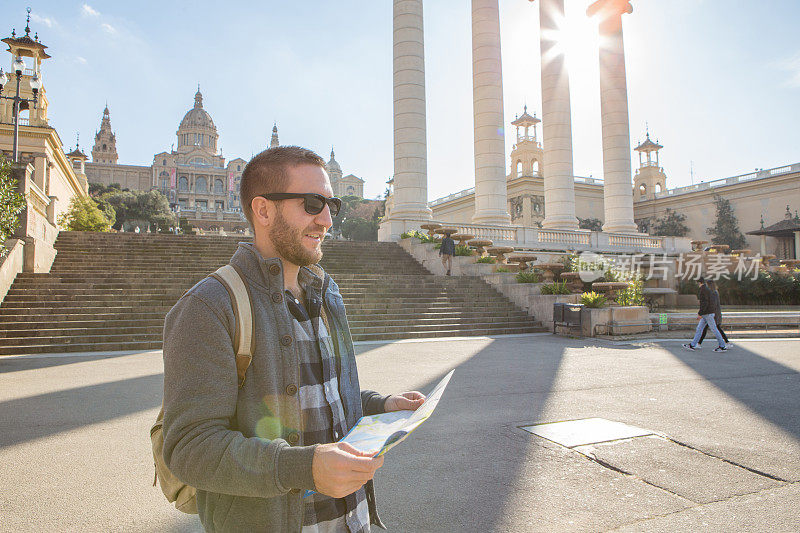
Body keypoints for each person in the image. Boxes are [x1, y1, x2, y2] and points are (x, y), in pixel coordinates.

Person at [161, 146, 426, 532]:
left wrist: (382, 404)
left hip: (354, 521)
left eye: (331, 204)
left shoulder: (325, 292)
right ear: (263, 210)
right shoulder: (208, 306)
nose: (327, 220)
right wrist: (303, 467)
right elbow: (189, 448)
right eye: (313, 203)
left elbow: (325, 392)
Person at [683, 276, 727, 352]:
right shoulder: (707, 289)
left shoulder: (703, 290)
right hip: (707, 314)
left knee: (714, 329)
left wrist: (700, 313)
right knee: (699, 329)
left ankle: (722, 346)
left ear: (699, 283)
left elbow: (704, 303)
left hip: (707, 314)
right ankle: (692, 345)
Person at [697, 279, 730, 347]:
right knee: (709, 328)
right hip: (713, 313)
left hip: (713, 313)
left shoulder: (713, 292)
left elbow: (713, 304)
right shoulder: (714, 292)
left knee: (715, 328)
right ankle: (698, 343)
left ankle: (725, 343)